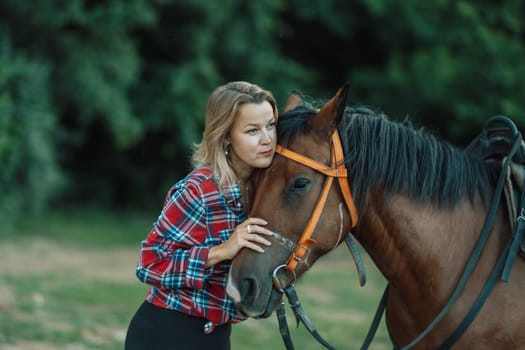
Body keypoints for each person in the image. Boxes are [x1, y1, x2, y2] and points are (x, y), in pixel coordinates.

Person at [125, 81, 278, 350]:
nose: (267, 139)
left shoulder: (261, 193)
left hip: (216, 336)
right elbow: (148, 263)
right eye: (252, 130)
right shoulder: (199, 191)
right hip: (166, 333)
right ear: (226, 136)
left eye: (271, 125)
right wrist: (221, 251)